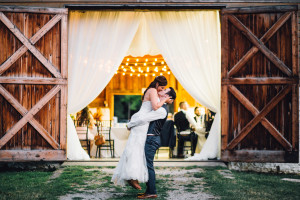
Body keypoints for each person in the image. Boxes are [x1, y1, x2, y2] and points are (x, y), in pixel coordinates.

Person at [111, 76, 171, 190]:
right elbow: (155, 107)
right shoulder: (153, 90)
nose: (161, 90)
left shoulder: (153, 91)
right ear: (157, 84)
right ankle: (131, 176)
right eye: (161, 87)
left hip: (143, 121)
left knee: (136, 149)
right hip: (142, 121)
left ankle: (132, 176)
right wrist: (165, 100)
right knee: (136, 148)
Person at [127, 87, 176, 199]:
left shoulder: (162, 110)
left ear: (167, 96)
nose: (160, 91)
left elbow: (144, 118)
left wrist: (130, 124)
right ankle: (146, 188)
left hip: (151, 139)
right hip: (150, 138)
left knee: (149, 165)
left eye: (164, 90)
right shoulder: (158, 107)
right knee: (146, 164)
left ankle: (151, 191)